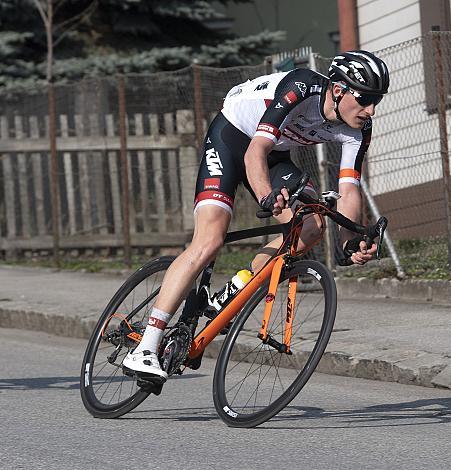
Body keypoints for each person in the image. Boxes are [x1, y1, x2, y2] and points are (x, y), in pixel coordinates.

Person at [122, 50, 390, 382]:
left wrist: (350, 240)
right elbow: (255, 152)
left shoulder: (359, 129)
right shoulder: (302, 86)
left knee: (310, 226)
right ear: (338, 90)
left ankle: (235, 288)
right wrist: (266, 194)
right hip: (233, 137)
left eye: (377, 101)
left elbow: (349, 189)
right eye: (364, 99)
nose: (371, 110)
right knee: (210, 240)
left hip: (275, 153)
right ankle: (146, 346)